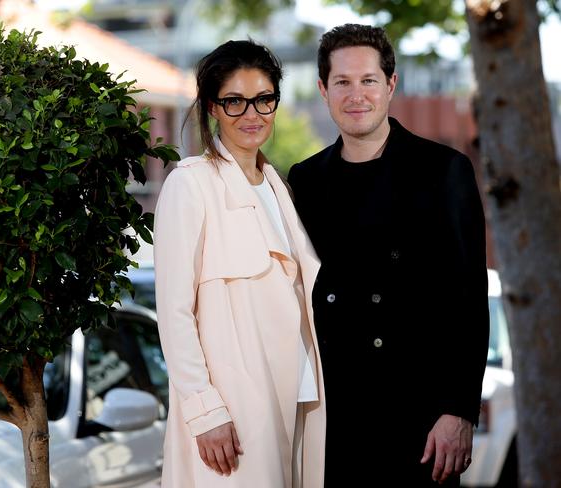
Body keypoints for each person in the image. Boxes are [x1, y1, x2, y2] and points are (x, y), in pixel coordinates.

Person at [287, 24, 489, 487]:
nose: (356, 95)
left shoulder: (443, 171)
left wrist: (458, 411)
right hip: (334, 419)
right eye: (342, 82)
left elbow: (469, 300)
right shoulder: (305, 180)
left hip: (420, 425)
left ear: (391, 85)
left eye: (368, 81)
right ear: (323, 89)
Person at [154, 39, 326, 488]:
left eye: (264, 99)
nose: (252, 114)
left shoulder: (279, 188)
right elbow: (174, 312)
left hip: (300, 399)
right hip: (234, 413)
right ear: (213, 107)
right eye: (235, 101)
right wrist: (204, 410)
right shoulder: (190, 185)